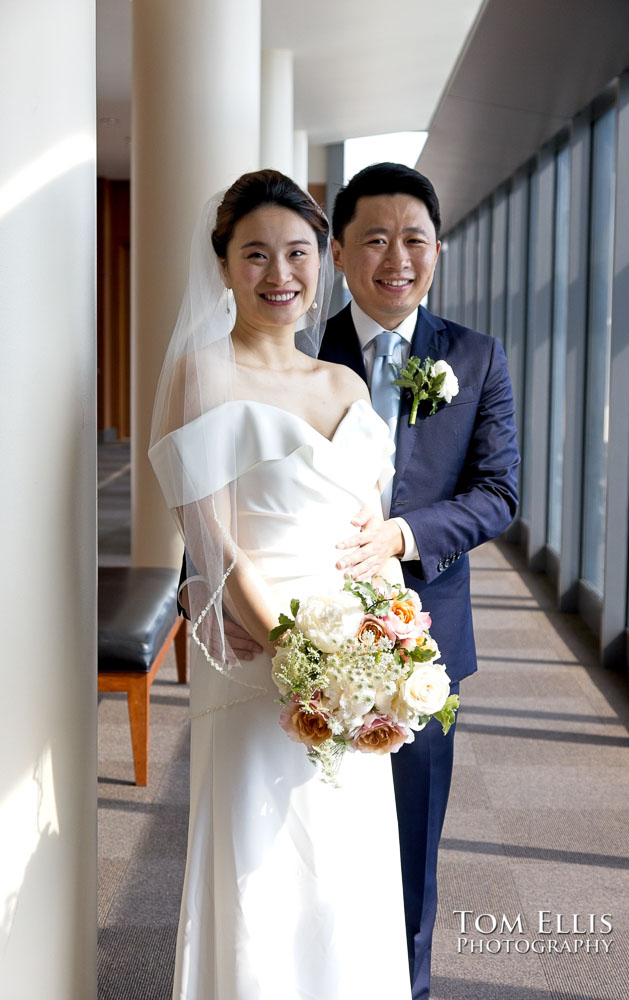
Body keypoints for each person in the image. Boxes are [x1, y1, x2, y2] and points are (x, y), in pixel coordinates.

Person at [149, 170, 412, 999]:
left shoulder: (343, 384)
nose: (280, 275)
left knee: (346, 870)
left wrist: (390, 644)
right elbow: (214, 543)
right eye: (255, 254)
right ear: (223, 266)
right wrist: (303, 655)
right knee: (265, 869)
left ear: (320, 262)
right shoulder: (202, 375)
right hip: (264, 657)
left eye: (297, 252)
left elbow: (371, 536)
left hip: (360, 667)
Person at [318, 162, 520, 999]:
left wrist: (402, 535)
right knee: (315, 834)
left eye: (414, 238)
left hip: (425, 645)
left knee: (409, 842)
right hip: (312, 633)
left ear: (438, 247)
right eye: (373, 238)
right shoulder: (297, 351)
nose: (396, 257)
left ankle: (408, 987)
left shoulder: (474, 357)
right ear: (336, 252)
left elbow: (498, 492)